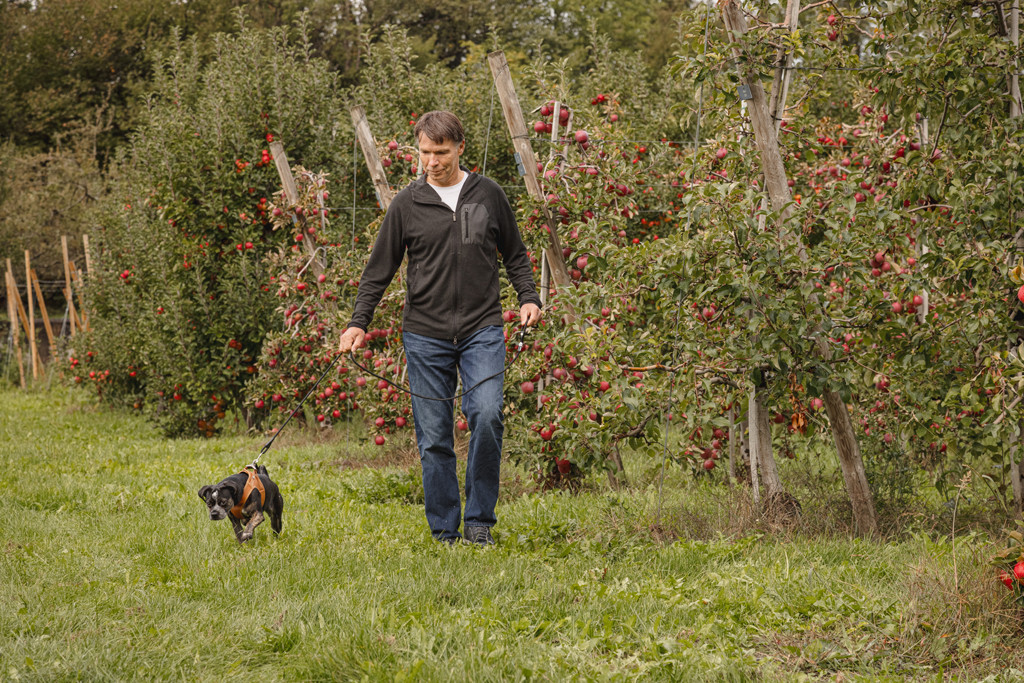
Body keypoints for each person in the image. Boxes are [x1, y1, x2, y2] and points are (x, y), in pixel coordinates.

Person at [338, 110, 542, 546]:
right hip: (425, 334)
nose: (432, 162)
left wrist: (529, 297)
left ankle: (480, 522)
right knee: (434, 436)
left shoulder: (489, 195)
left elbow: (516, 254)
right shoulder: (406, 204)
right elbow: (378, 271)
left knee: (486, 414)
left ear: (460, 148)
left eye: (442, 152)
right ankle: (445, 531)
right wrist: (358, 323)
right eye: (425, 152)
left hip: (482, 328)